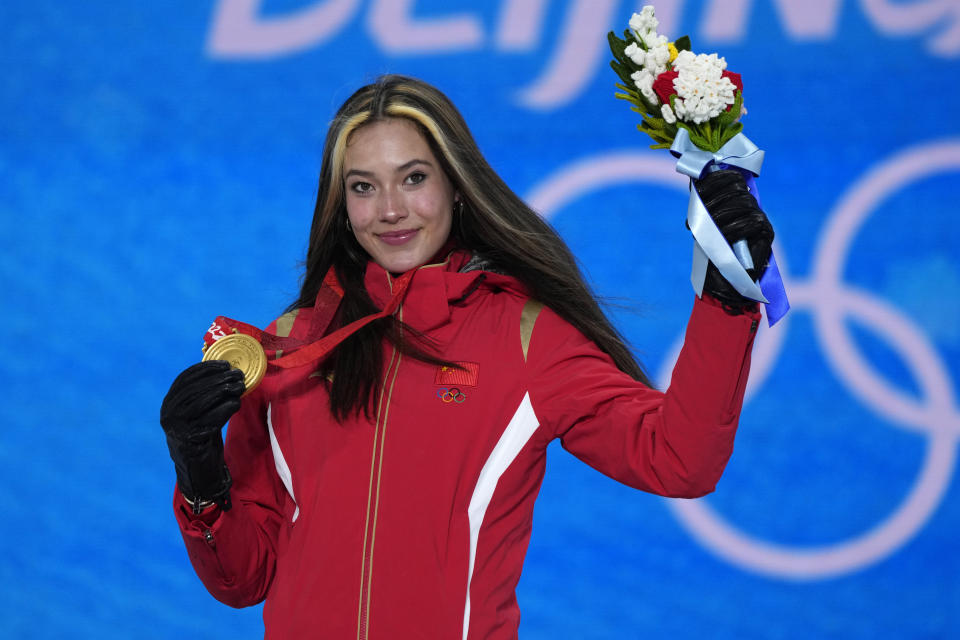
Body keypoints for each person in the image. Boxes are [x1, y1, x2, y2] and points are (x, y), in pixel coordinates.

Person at [160, 74, 772, 639]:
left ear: (456, 184)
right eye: (364, 187)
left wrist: (724, 297)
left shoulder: (527, 338)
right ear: (342, 207)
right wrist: (199, 472)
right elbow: (243, 580)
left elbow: (679, 459)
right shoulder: (294, 347)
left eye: (414, 178)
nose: (391, 210)